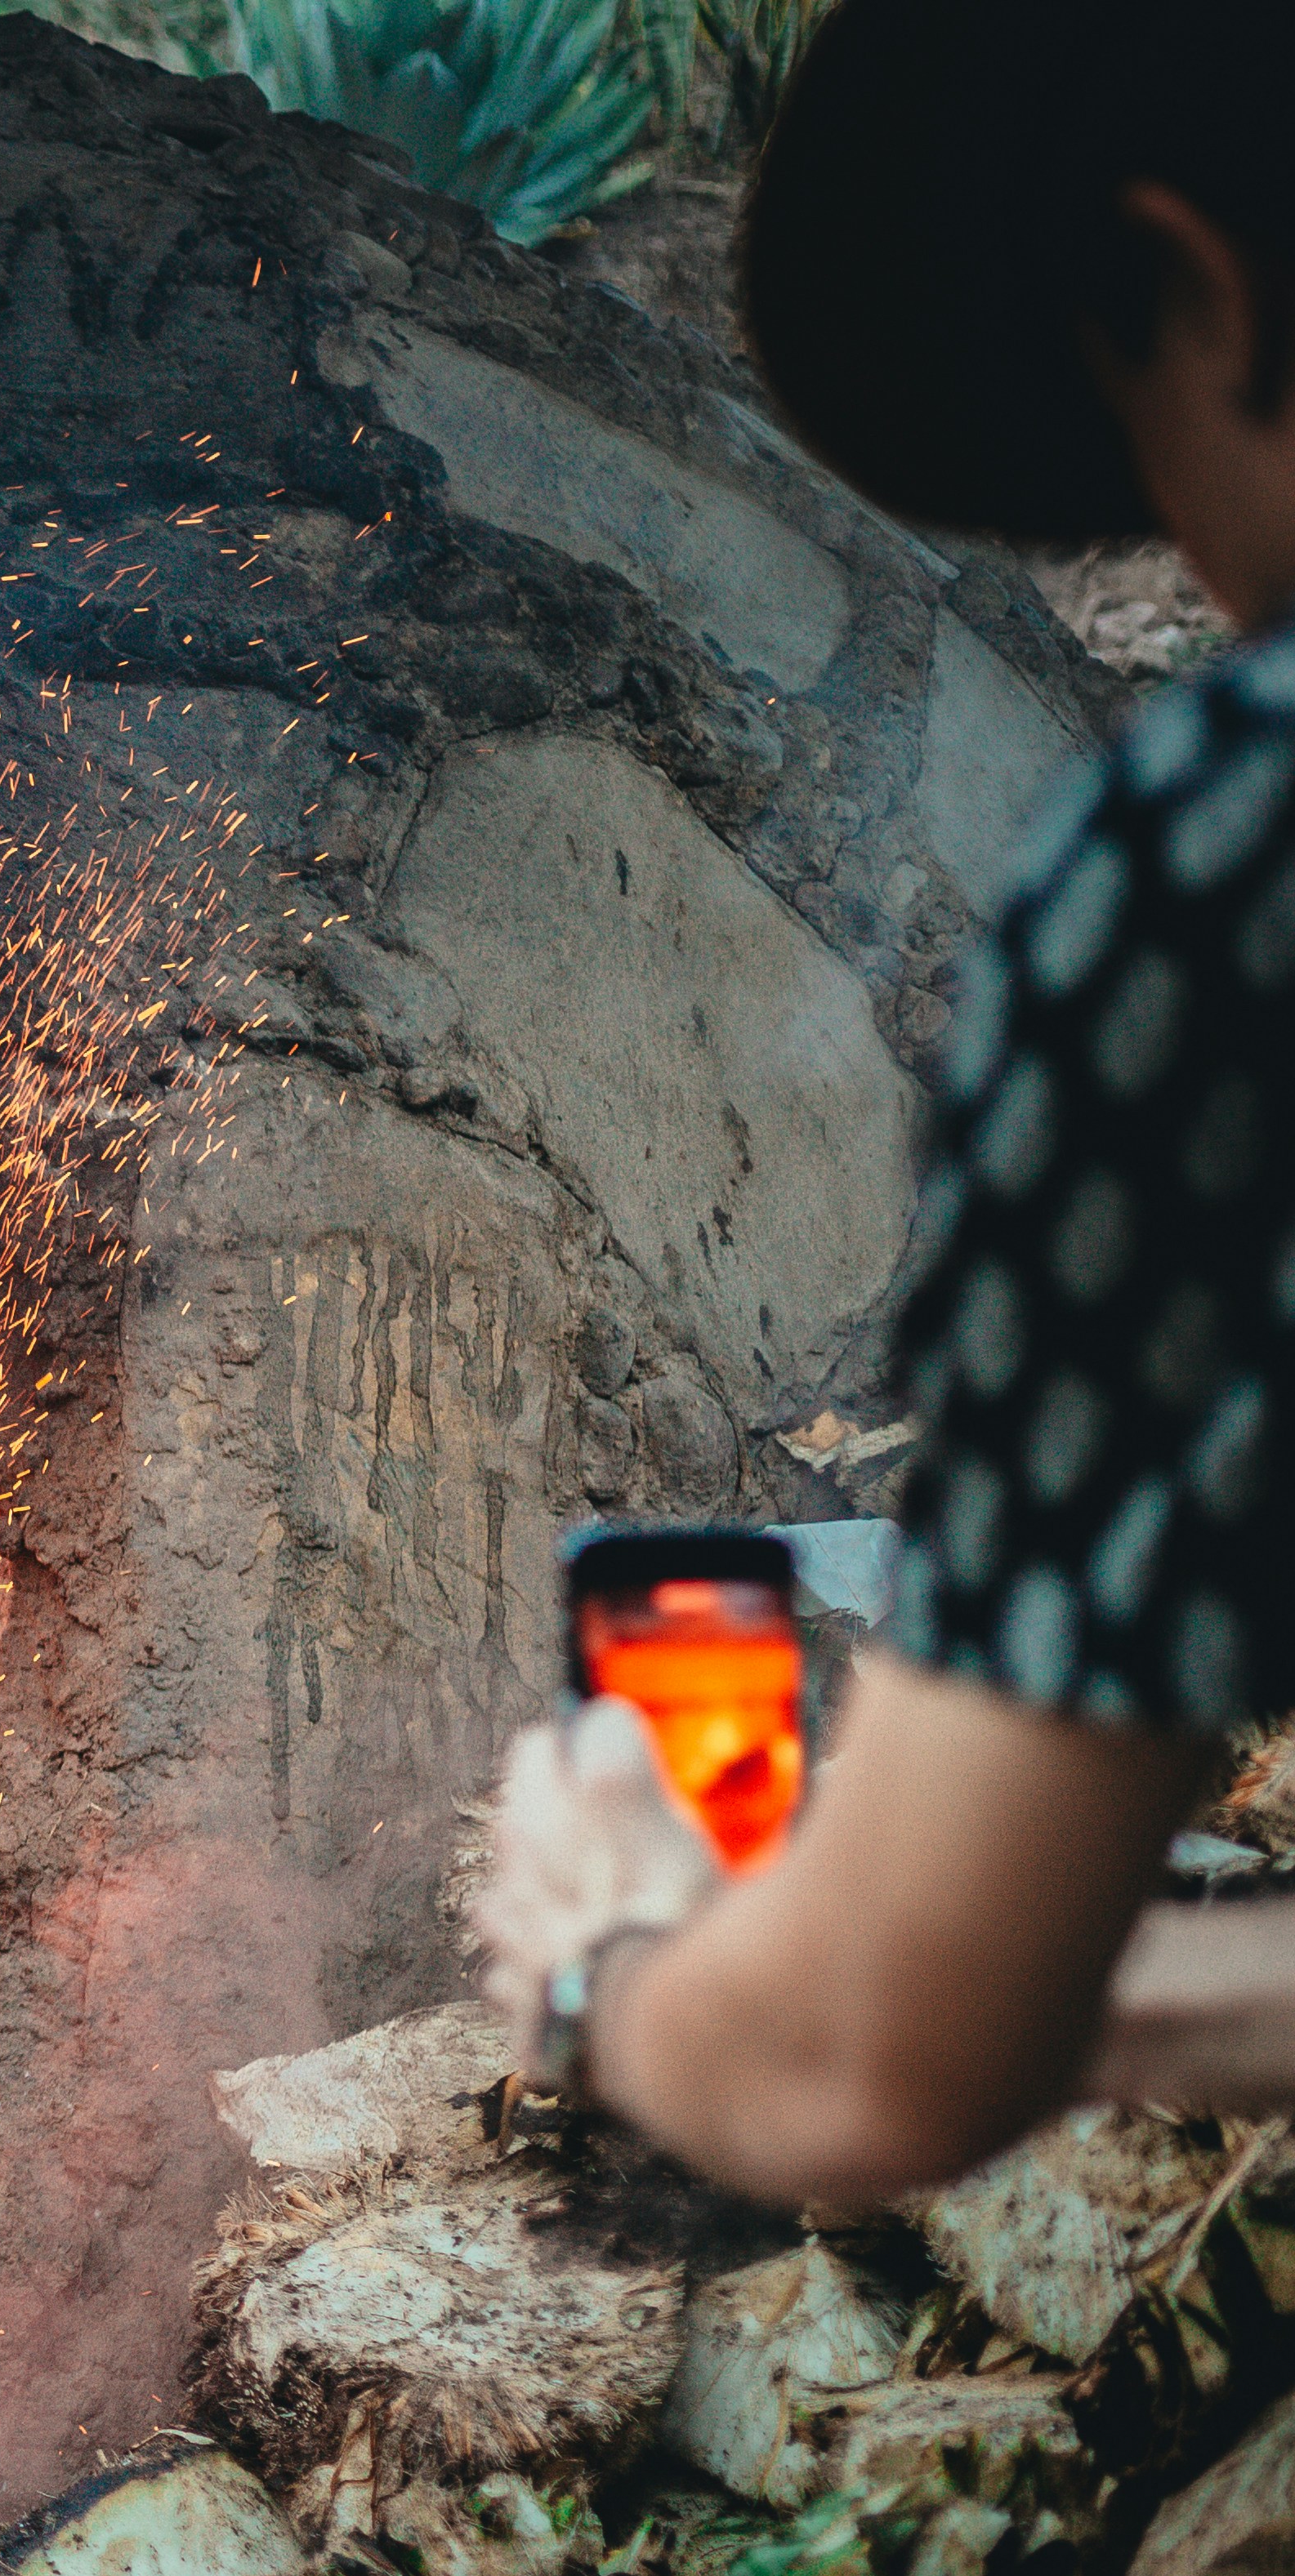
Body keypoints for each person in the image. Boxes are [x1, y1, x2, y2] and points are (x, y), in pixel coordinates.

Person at [475, 0, 1295, 2203]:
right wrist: (1056, 1985)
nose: (1209, 591)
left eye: (1138, 452)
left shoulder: (1221, 879)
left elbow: (855, 2082)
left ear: (1194, 292)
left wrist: (617, 1971)